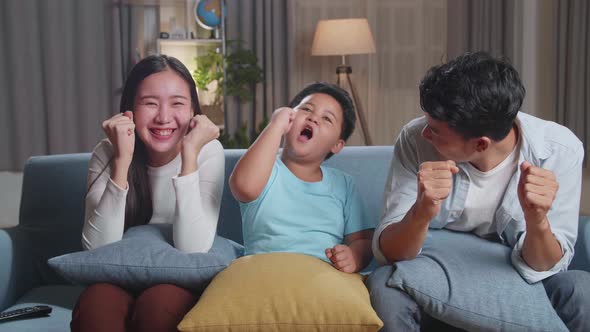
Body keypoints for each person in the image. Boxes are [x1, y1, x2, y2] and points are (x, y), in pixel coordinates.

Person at [369, 51, 590, 331]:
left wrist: (538, 221)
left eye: (436, 132)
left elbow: (546, 265)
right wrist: (421, 212)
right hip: (433, 268)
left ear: (481, 144)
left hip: (514, 271)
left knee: (582, 289)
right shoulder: (415, 138)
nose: (425, 133)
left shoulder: (558, 150)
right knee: (384, 286)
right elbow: (390, 253)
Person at [71, 54, 224, 332]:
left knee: (159, 307)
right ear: (129, 110)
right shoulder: (106, 152)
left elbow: (193, 247)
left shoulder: (208, 151)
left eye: (177, 103)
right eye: (150, 103)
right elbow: (97, 248)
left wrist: (189, 157)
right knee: (96, 307)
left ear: (193, 111)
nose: (164, 117)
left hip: (176, 280)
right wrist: (122, 161)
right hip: (116, 277)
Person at [229, 82, 374, 273]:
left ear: (337, 145)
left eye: (327, 119)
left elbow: (363, 240)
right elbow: (243, 186)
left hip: (324, 275)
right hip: (264, 272)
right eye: (306, 109)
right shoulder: (265, 169)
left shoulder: (343, 184)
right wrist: (275, 125)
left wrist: (354, 256)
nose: (314, 118)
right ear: (289, 116)